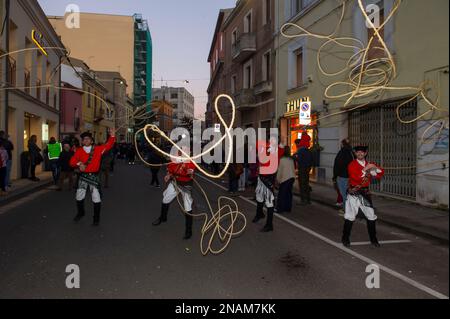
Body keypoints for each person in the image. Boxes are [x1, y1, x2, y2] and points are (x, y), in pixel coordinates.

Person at [70, 129, 116, 226]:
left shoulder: (98, 149)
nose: (86, 140)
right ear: (82, 141)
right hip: (83, 177)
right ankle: (80, 213)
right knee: (79, 196)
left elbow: (108, 145)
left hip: (94, 176)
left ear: (91, 140)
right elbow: (71, 162)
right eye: (84, 139)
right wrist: (79, 164)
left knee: (96, 198)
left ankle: (96, 219)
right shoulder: (79, 151)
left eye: (88, 139)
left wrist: (112, 136)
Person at [342, 145, 384, 248]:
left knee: (371, 216)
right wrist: (366, 169)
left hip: (365, 194)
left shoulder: (369, 164)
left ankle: (373, 240)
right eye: (358, 152)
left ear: (365, 153)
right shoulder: (352, 164)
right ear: (355, 154)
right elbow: (355, 178)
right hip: (354, 193)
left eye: (362, 152)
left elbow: (380, 174)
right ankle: (345, 238)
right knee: (350, 216)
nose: (360, 154)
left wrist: (375, 169)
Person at [152, 148, 196, 240]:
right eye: (181, 151)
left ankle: (189, 231)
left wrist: (189, 171)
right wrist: (168, 175)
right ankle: (162, 218)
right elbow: (170, 170)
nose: (182, 153)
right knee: (165, 199)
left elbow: (191, 172)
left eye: (185, 151)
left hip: (186, 185)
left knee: (188, 207)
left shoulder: (190, 161)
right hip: (175, 182)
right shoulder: (174, 160)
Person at [253, 135, 285, 232]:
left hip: (269, 178)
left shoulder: (278, 150)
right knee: (259, 197)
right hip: (261, 177)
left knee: (269, 202)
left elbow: (282, 147)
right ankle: (259, 214)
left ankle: (269, 225)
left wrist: (278, 144)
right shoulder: (264, 147)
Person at [333, 138, 354, 212]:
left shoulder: (341, 152)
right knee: (347, 193)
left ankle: (346, 210)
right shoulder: (351, 152)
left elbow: (337, 165)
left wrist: (335, 176)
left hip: (342, 176)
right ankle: (349, 208)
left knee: (344, 194)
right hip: (350, 176)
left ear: (342, 144)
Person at [276, 146, 296, 214]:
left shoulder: (282, 159)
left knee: (281, 194)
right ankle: (288, 208)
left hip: (285, 178)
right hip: (291, 178)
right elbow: (293, 169)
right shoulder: (291, 159)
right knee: (288, 194)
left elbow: (280, 170)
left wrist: (278, 179)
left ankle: (280, 209)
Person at [294, 134, 313, 206]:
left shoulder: (301, 149)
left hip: (302, 169)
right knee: (306, 184)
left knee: (302, 184)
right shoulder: (308, 150)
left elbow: (299, 160)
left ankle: (303, 200)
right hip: (307, 169)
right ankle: (308, 200)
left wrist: (294, 157)